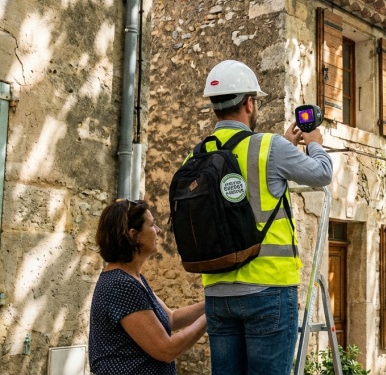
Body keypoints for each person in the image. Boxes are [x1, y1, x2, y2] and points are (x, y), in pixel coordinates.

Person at [196, 60, 333, 374]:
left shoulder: (199, 154)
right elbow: (321, 174)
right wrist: (315, 146)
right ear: (248, 102)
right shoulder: (268, 147)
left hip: (217, 292)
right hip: (268, 290)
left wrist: (286, 144)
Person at [89, 200, 207, 375]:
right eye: (152, 225)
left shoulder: (133, 279)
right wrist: (212, 314)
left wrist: (214, 300)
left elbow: (172, 318)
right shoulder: (121, 285)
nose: (158, 230)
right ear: (133, 235)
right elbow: (166, 350)